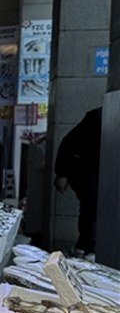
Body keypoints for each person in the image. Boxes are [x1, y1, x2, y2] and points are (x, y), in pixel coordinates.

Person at [54, 107, 102, 257]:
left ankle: (87, 246)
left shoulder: (98, 117)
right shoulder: (95, 119)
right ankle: (87, 246)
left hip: (90, 168)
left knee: (91, 206)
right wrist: (61, 174)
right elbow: (68, 144)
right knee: (91, 205)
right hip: (84, 168)